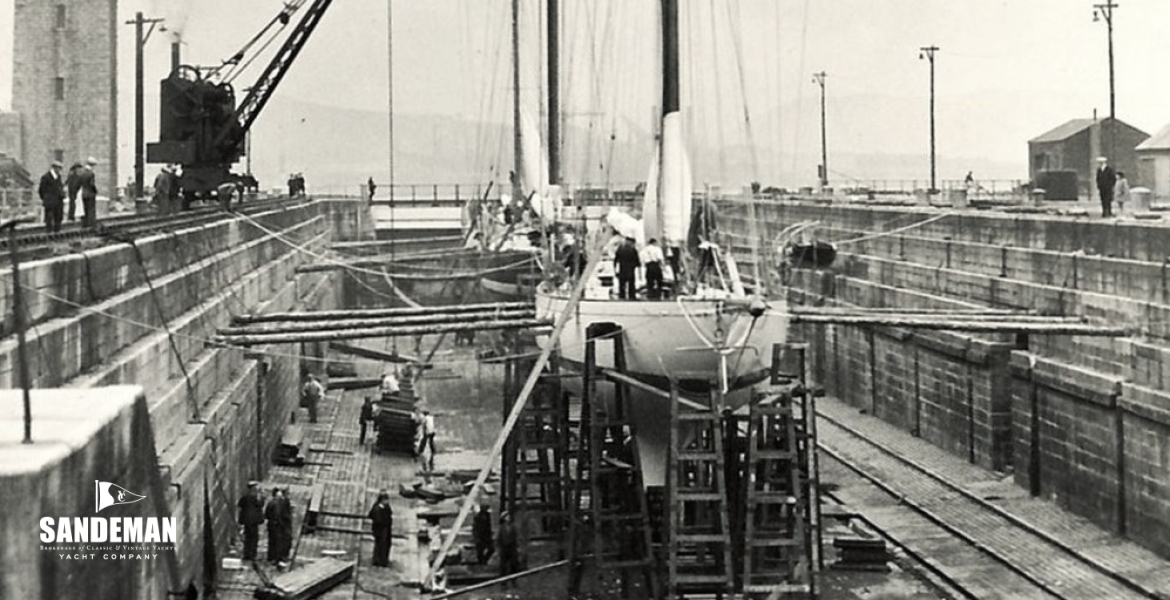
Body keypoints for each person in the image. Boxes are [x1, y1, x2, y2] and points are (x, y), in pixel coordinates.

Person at [236, 482, 266, 561]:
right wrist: (262, 496)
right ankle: (252, 554)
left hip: (246, 521)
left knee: (248, 537)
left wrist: (240, 520)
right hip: (254, 521)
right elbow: (260, 504)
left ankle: (247, 554)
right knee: (254, 538)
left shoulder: (244, 497)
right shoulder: (255, 497)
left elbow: (240, 506)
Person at [264, 487, 293, 565]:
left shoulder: (271, 502)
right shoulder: (280, 503)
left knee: (272, 542)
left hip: (272, 524)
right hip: (279, 525)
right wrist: (282, 523)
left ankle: (271, 557)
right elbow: (280, 514)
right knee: (280, 542)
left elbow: (266, 514)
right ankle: (278, 558)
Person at [38, 160, 66, 233]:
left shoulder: (58, 177)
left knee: (58, 218)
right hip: (49, 202)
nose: (59, 170)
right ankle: (49, 232)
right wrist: (45, 198)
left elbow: (60, 187)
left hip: (58, 201)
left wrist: (62, 194)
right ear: (54, 168)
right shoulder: (46, 177)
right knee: (49, 219)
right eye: (59, 168)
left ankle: (57, 232)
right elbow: (41, 189)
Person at [368, 491, 394, 566]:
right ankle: (378, 561)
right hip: (380, 530)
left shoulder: (386, 507)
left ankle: (383, 560)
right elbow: (376, 519)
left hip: (386, 529)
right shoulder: (377, 508)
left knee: (385, 545)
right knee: (380, 545)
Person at [496, 511, 521, 586]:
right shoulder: (501, 528)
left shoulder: (513, 527)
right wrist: (498, 549)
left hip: (512, 548)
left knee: (513, 565)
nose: (508, 518)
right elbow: (498, 539)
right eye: (507, 516)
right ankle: (503, 582)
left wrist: (517, 547)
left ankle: (514, 580)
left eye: (509, 516)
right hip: (504, 548)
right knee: (503, 566)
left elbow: (516, 537)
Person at [77, 157, 99, 227]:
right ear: (92, 165)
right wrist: (95, 190)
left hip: (84, 194)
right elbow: (91, 184)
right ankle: (91, 224)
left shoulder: (82, 173)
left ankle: (85, 224)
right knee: (91, 210)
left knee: (85, 209)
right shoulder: (91, 174)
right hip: (90, 194)